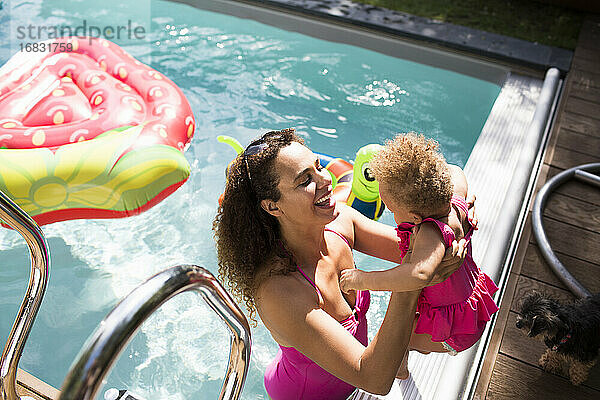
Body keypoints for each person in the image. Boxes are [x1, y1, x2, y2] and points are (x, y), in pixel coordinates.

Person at [213, 129, 469, 400]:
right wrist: (410, 282)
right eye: (305, 181)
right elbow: (374, 379)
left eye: (319, 166)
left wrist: (451, 212)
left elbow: (417, 249)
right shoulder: (278, 291)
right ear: (273, 207)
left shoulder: (340, 222)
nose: (326, 179)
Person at [340, 132, 499, 379]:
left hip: (456, 329)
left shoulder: (429, 232)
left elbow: (419, 273)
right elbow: (455, 169)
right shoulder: (455, 199)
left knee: (400, 338)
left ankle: (401, 370)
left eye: (392, 210)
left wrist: (363, 279)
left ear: (414, 217)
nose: (392, 216)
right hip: (467, 305)